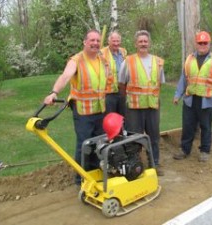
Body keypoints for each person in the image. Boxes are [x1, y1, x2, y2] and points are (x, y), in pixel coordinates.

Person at [43, 29, 109, 185]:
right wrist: (54, 92)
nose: (95, 43)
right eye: (92, 40)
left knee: (98, 142)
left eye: (98, 41)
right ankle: (80, 178)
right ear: (85, 42)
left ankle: (94, 173)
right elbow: (65, 76)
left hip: (100, 109)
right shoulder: (76, 60)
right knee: (84, 144)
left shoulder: (102, 59)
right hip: (83, 111)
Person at [172, 31, 212, 162]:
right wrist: (177, 95)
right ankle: (185, 149)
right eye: (200, 43)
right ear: (196, 44)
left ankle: (205, 150)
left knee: (206, 126)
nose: (202, 45)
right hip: (190, 100)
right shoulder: (189, 59)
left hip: (207, 101)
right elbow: (183, 79)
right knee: (187, 126)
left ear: (209, 44)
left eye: (205, 43)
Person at [118, 30, 165, 176]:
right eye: (140, 41)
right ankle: (135, 165)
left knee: (154, 136)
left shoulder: (158, 62)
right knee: (134, 137)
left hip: (152, 106)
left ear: (149, 43)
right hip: (134, 107)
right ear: (136, 44)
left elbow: (159, 84)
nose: (143, 44)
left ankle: (154, 164)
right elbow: (121, 84)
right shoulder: (129, 61)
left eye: (145, 41)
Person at [100, 31, 127, 116]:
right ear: (108, 41)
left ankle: (122, 130)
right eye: (114, 41)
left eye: (118, 41)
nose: (116, 43)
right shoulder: (101, 53)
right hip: (109, 93)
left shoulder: (123, 52)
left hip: (122, 91)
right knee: (110, 118)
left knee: (123, 117)